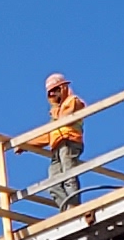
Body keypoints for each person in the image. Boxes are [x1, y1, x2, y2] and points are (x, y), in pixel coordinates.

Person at [26, 72, 88, 212]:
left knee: (69, 176)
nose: (52, 95)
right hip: (56, 148)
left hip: (69, 142)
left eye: (55, 90)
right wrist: (27, 145)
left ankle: (75, 208)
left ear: (63, 88)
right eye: (50, 92)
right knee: (53, 183)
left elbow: (68, 114)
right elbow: (48, 135)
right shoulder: (55, 112)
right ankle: (68, 210)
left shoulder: (72, 101)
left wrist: (56, 111)